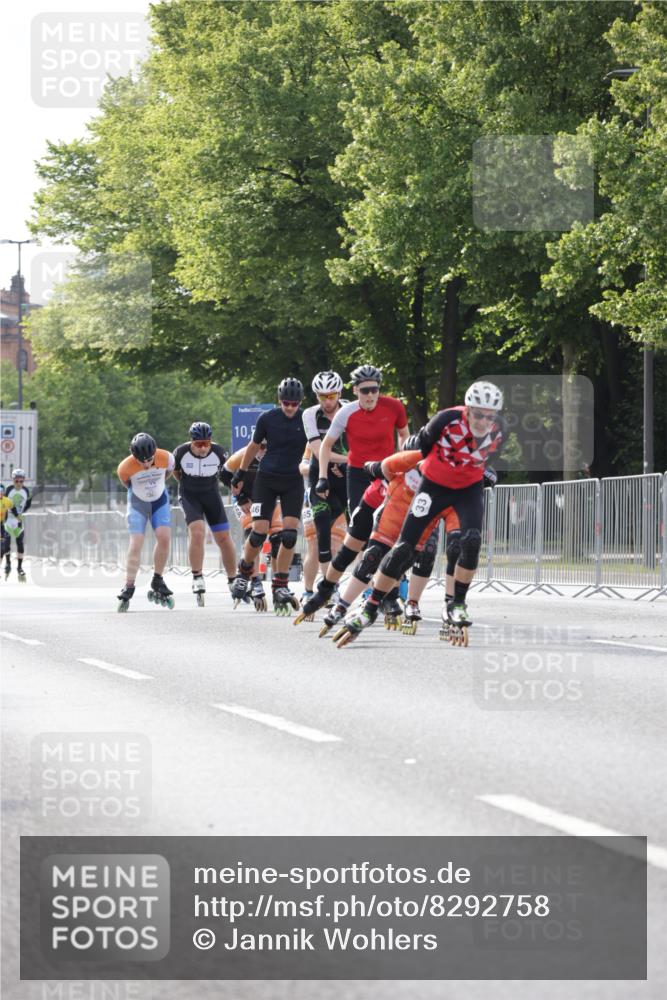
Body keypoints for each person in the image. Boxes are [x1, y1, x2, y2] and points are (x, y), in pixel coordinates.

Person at [337, 381, 506, 643]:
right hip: (433, 487)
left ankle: (457, 604)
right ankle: (370, 607)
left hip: (467, 491)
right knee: (404, 549)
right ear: (468, 409)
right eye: (478, 414)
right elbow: (422, 450)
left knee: (471, 542)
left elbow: (487, 460)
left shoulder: (499, 431)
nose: (483, 421)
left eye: (489, 416)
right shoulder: (446, 420)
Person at [230, 377, 308, 614]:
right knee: (258, 533)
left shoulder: (307, 419)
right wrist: (241, 473)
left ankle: (280, 584)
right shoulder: (267, 419)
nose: (290, 408)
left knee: (289, 535)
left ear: (301, 402)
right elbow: (253, 446)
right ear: (279, 400)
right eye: (286, 403)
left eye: (294, 404)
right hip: (267, 479)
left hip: (293, 481)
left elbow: (318, 445)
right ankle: (244, 570)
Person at [316, 364, 409, 516]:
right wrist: (322, 477)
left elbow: (404, 434)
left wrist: (403, 459)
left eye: (374, 390)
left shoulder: (394, 407)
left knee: (385, 520)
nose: (370, 395)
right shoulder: (345, 413)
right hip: (358, 473)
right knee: (359, 521)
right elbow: (325, 445)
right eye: (365, 391)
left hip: (385, 470)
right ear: (355, 390)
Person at [172, 421, 237, 605]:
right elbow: (176, 473)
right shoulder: (180, 452)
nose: (203, 448)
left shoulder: (219, 452)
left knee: (224, 537)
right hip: (189, 495)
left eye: (206, 443)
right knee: (198, 532)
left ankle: (233, 580)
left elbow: (228, 474)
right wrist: (187, 485)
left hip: (211, 494)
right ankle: (197, 576)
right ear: (191, 442)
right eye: (198, 444)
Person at [116, 433, 175, 611]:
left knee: (164, 537)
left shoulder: (167, 457)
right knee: (137, 542)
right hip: (137, 503)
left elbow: (169, 472)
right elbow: (126, 483)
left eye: (149, 460)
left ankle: (157, 579)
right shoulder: (125, 467)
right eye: (141, 461)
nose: (147, 464)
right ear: (134, 457)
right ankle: (129, 584)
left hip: (159, 501)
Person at [301, 371, 349, 577]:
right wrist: (347, 459)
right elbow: (318, 448)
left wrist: (348, 463)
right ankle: (328, 589)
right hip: (319, 475)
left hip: (346, 476)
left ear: (339, 393)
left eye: (331, 396)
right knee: (321, 531)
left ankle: (371, 588)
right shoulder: (310, 414)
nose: (327, 402)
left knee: (359, 530)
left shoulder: (350, 410)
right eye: (322, 397)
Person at [223, 442, 280, 611]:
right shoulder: (242, 455)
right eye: (260, 447)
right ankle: (255, 581)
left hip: (267, 500)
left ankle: (278, 584)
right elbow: (224, 475)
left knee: (278, 539)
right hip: (245, 502)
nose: (263, 451)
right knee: (255, 537)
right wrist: (240, 498)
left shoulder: (276, 454)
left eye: (267, 447)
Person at [2, 469, 32, 581]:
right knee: (7, 543)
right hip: (8, 520)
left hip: (19, 521)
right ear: (13, 480)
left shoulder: (26, 491)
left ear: (23, 480)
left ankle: (19, 567)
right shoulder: (8, 490)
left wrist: (22, 511)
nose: (19, 483)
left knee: (20, 543)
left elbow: (29, 503)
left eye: (21, 481)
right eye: (16, 481)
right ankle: (8, 562)